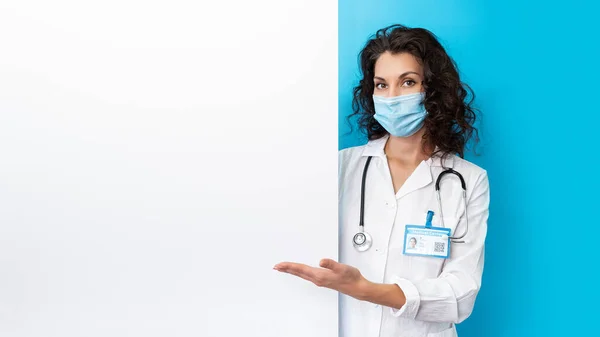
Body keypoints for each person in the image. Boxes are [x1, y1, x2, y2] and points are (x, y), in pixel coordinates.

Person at [274, 24, 490, 337]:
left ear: (433, 90)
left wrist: (365, 289)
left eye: (408, 82)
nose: (392, 97)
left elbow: (460, 294)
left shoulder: (467, 180)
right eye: (381, 85)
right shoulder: (341, 167)